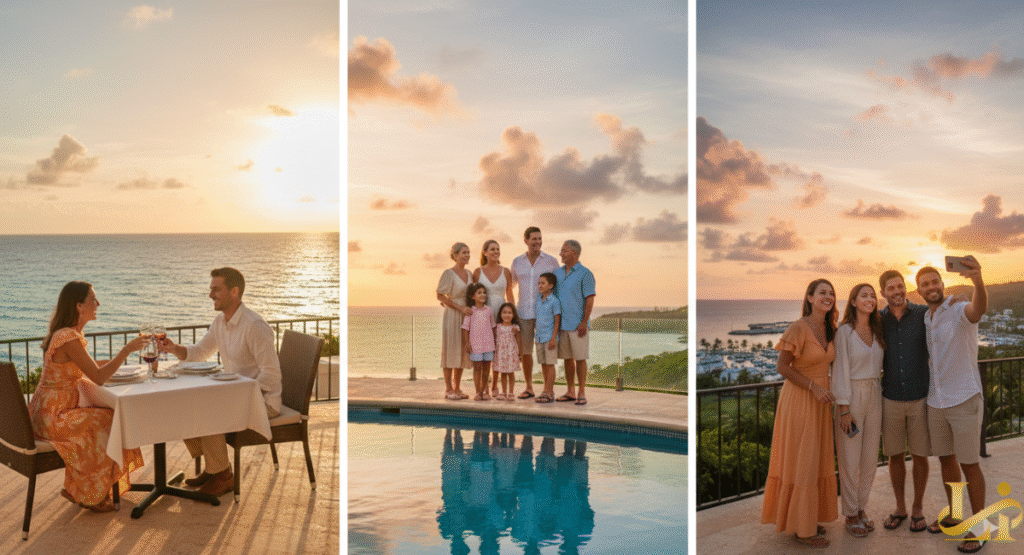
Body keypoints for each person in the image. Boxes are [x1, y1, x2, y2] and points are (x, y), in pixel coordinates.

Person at [160, 267, 282, 498]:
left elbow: (272, 375)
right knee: (184, 402)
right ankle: (215, 467)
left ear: (234, 291)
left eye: (216, 289)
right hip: (237, 396)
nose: (210, 295)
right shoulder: (220, 322)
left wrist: (240, 393)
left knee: (209, 410)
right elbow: (199, 352)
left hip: (264, 402)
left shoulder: (254, 326)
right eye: (210, 289)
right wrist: (174, 348)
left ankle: (224, 477)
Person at [30, 281, 148, 512]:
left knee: (106, 417)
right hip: (53, 419)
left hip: (45, 413)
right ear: (78, 306)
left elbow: (89, 369)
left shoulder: (67, 335)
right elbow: (99, 378)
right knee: (108, 419)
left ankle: (80, 487)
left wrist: (118, 365)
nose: (98, 303)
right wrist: (126, 350)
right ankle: (87, 492)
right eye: (93, 299)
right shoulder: (68, 337)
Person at [916, 259, 990, 553]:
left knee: (970, 464)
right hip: (937, 401)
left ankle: (981, 527)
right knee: (946, 460)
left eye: (935, 282)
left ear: (942, 285)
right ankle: (956, 515)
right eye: (925, 284)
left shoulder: (959, 310)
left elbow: (978, 309)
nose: (931, 287)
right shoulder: (927, 317)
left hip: (964, 399)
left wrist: (978, 281)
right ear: (919, 290)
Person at [761, 278, 839, 548]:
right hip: (800, 399)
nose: (827, 297)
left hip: (820, 401)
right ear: (809, 297)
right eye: (822, 293)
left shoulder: (831, 329)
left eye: (831, 293)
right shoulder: (799, 327)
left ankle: (805, 519)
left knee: (815, 461)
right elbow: (782, 367)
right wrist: (814, 387)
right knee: (803, 461)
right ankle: (803, 531)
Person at [877, 269, 932, 533]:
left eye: (900, 286)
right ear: (883, 293)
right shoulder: (877, 320)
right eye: (891, 288)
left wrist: (957, 300)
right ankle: (900, 507)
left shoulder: (923, 313)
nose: (897, 292)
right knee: (895, 455)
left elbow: (944, 309)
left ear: (905, 287)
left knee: (920, 456)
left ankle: (918, 508)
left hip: (921, 398)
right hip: (890, 399)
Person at [832, 283, 885, 537]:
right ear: (853, 301)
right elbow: (840, 370)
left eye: (872, 296)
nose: (870, 299)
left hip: (876, 395)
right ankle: (850, 513)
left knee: (870, 459)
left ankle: (861, 507)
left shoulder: (877, 329)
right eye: (864, 295)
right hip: (851, 398)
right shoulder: (844, 332)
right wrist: (844, 410)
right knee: (849, 459)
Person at [510, 227, 559, 400]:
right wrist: (510, 309)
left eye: (540, 238)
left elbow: (558, 288)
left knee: (546, 352)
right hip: (523, 312)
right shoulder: (517, 262)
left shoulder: (551, 262)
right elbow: (510, 285)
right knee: (526, 353)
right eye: (534, 239)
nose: (537, 242)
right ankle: (529, 387)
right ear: (526, 241)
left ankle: (548, 390)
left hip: (544, 314)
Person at [552, 240, 596, 406]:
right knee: (567, 359)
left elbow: (589, 299)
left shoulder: (586, 274)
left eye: (564, 251)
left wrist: (584, 322)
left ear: (574, 253)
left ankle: (581, 392)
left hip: (578, 325)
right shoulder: (557, 273)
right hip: (562, 324)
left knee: (580, 359)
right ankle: (570, 391)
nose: (561, 254)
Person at [473, 239, 515, 397]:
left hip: (501, 313)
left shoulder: (506, 271)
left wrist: (512, 317)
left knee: (499, 350)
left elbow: (510, 295)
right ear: (484, 252)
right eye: (492, 249)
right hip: (482, 314)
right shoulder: (478, 272)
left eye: (498, 249)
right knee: (485, 350)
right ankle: (482, 387)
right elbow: (471, 293)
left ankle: (494, 385)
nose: (495, 252)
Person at [436, 242, 473, 400]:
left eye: (468, 252)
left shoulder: (470, 274)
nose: (467, 255)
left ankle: (457, 388)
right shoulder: (448, 273)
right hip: (452, 315)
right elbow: (440, 295)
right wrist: (459, 307)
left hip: (466, 315)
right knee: (450, 350)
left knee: (462, 350)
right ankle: (448, 389)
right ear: (455, 255)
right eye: (464, 253)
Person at [462, 283, 496, 401]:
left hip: (488, 343)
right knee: (477, 368)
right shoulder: (470, 311)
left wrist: (495, 343)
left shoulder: (489, 310)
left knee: (487, 368)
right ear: (472, 296)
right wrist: (467, 343)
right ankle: (478, 392)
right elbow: (465, 328)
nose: (483, 295)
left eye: (484, 292)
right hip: (475, 344)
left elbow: (493, 327)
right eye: (479, 293)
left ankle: (484, 392)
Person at [533, 273, 561, 403]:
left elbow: (557, 322)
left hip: (549, 338)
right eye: (539, 283)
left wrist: (553, 338)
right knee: (543, 364)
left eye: (543, 283)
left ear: (550, 286)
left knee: (550, 365)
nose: (540, 285)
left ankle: (549, 392)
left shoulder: (554, 301)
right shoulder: (538, 300)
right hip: (538, 338)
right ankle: (546, 389)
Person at [493, 303, 523, 401]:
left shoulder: (515, 327)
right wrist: (493, 352)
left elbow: (519, 341)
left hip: (511, 353)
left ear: (514, 315)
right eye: (504, 312)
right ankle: (503, 392)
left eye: (510, 313)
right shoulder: (498, 327)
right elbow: (494, 340)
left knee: (510, 373)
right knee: (503, 373)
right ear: (500, 314)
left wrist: (520, 353)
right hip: (501, 353)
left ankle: (511, 392)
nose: (507, 315)